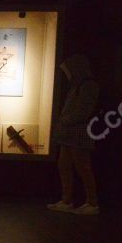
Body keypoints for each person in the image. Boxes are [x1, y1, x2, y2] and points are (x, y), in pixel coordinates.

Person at [47, 54, 100, 215]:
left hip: (79, 132)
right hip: (69, 133)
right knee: (65, 165)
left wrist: (65, 120)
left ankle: (92, 202)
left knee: (82, 167)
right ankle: (66, 199)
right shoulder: (77, 86)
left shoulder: (89, 86)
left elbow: (82, 112)